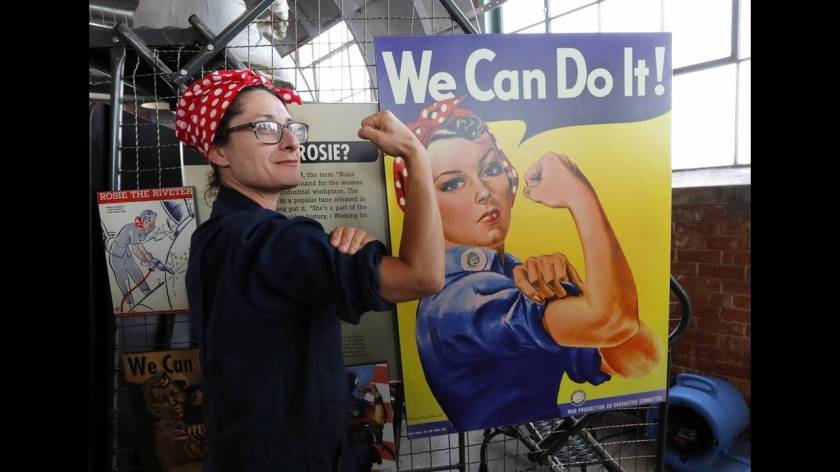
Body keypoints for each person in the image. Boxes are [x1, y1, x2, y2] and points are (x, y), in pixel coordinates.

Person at [177, 69, 444, 470]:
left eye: (291, 127)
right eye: (265, 127)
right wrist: (415, 155)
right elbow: (423, 275)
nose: (290, 142)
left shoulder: (213, 236)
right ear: (218, 152)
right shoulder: (272, 241)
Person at [394, 97, 662, 431]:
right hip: (510, 444)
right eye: (452, 184)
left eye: (490, 169)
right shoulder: (459, 300)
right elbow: (612, 321)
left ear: (509, 182)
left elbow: (641, 359)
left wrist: (580, 292)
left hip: (536, 440)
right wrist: (580, 196)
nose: (483, 191)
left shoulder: (508, 272)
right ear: (425, 209)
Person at [141, 372, 208, 472]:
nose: (172, 402)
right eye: (163, 400)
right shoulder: (165, 436)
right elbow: (204, 449)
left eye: (174, 394)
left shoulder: (181, 426)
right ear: (153, 409)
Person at [108, 209, 171, 310]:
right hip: (116, 255)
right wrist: (147, 260)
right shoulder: (134, 229)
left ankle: (148, 294)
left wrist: (150, 257)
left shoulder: (142, 228)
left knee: (137, 274)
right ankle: (130, 304)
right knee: (123, 280)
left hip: (126, 253)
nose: (154, 224)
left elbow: (139, 245)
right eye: (152, 222)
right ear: (146, 221)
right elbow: (136, 250)